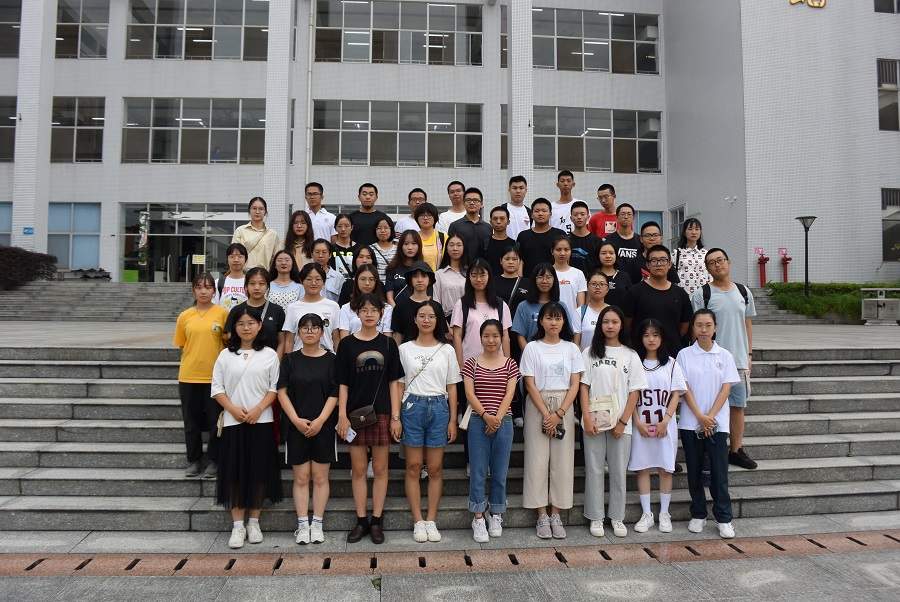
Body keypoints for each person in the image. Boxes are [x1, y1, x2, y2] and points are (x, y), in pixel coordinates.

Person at [211, 305, 283, 549]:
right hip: (233, 422)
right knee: (234, 474)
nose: (246, 328)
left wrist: (258, 409)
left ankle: (254, 522)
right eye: (240, 324)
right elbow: (217, 388)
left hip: (261, 420)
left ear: (260, 326)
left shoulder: (269, 355)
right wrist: (233, 409)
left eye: (251, 323)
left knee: (258, 473)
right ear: (234, 328)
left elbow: (275, 388)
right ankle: (237, 526)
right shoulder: (225, 355)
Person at [336, 294, 404, 545]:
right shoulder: (347, 344)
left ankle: (376, 520)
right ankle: (361, 520)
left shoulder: (388, 344)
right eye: (364, 310)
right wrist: (342, 415)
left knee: (381, 469)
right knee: (359, 470)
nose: (368, 314)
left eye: (373, 310)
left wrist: (396, 417)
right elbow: (342, 383)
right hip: (355, 413)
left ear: (381, 314)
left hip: (383, 412)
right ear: (357, 313)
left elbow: (394, 382)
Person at [579, 305, 647, 538]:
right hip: (594, 421)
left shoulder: (630, 354)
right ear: (600, 325)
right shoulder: (589, 353)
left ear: (621, 325)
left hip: (621, 423)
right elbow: (583, 387)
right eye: (605, 322)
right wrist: (585, 417)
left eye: (614, 322)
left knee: (619, 471)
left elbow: (635, 391)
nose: (610, 326)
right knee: (594, 469)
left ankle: (617, 517)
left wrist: (623, 422)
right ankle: (596, 516)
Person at [520, 302, 585, 539]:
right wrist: (546, 414)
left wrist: (559, 413)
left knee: (563, 461)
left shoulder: (571, 349)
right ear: (541, 321)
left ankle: (556, 513)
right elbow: (529, 383)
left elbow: (575, 383)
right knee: (537, 459)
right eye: (549, 318)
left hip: (563, 403)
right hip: (538, 402)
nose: (554, 322)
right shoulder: (532, 348)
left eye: (558, 318)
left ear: (564, 321)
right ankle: (541, 514)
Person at [398, 299, 460, 542]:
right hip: (411, 407)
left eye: (432, 316)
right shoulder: (404, 349)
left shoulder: (447, 350)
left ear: (438, 320)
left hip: (439, 407)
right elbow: (399, 385)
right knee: (413, 466)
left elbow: (452, 386)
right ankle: (418, 520)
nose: (426, 320)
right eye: (422, 316)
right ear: (415, 319)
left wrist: (453, 419)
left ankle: (431, 520)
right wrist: (395, 417)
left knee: (434, 468)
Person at [690, 248, 758, 470]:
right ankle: (709, 450)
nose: (717, 265)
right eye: (712, 263)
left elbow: (747, 324)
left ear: (728, 262)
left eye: (720, 260)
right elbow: (696, 328)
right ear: (707, 269)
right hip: (710, 361)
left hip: (737, 360)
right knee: (708, 404)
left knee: (737, 406)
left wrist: (749, 354)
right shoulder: (702, 294)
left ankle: (735, 451)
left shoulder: (743, 292)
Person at [677, 309, 740, 539]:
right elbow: (684, 388)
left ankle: (724, 518)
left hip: (717, 423)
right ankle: (698, 514)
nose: (703, 330)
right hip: (690, 422)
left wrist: (710, 417)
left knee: (719, 472)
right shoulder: (684, 355)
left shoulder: (725, 355)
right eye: (699, 325)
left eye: (708, 325)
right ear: (693, 328)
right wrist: (700, 417)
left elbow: (726, 389)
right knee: (694, 471)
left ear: (715, 328)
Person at [277, 313, 338, 545]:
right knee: (301, 477)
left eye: (314, 328)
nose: (309, 331)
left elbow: (335, 392)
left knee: (320, 477)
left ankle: (317, 524)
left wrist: (321, 420)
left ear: (322, 332)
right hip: (296, 426)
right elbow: (281, 391)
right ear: (298, 332)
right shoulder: (290, 360)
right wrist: (295, 419)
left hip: (324, 425)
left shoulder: (331, 360)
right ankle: (303, 524)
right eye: (304, 328)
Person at [464, 319, 520, 542]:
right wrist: (487, 416)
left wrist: (496, 418)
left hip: (503, 422)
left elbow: (510, 393)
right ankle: (478, 516)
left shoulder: (510, 364)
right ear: (480, 338)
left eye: (495, 336)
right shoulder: (471, 363)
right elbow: (469, 394)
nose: (491, 340)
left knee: (499, 472)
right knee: (478, 472)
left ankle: (495, 513)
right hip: (478, 422)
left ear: (501, 338)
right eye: (486, 336)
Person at [629, 318, 686, 534]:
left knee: (665, 468)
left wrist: (666, 420)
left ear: (662, 338)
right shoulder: (635, 363)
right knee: (642, 468)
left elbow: (675, 395)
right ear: (640, 338)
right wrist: (637, 422)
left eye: (655, 335)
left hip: (665, 425)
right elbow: (630, 396)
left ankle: (664, 513)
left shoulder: (671, 364)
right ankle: (647, 514)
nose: (651, 339)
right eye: (646, 335)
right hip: (641, 425)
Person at [174, 273, 229, 479]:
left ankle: (214, 460)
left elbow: (227, 343)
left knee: (216, 421)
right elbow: (182, 345)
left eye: (207, 287)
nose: (203, 291)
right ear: (193, 291)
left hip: (214, 378)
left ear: (214, 291)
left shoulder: (222, 313)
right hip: (189, 376)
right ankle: (194, 460)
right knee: (191, 422)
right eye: (199, 287)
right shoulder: (185, 316)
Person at [623, 245, 692, 360]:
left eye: (663, 260)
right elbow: (627, 324)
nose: (659, 264)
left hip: (672, 355)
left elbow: (684, 326)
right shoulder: (634, 292)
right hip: (641, 356)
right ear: (647, 265)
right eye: (654, 260)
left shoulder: (680, 294)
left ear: (669, 264)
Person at [511, 263, 579, 350]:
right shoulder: (523, 306)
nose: (544, 281)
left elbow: (568, 332)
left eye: (548, 277)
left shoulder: (561, 306)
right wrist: (529, 354)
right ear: (534, 280)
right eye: (540, 277)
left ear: (554, 280)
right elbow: (520, 336)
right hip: (532, 355)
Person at [224, 267, 286, 356]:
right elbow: (231, 339)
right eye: (252, 283)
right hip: (242, 360)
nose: (257, 288)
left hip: (269, 360)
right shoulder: (237, 310)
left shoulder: (277, 310)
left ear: (267, 286)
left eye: (261, 284)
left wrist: (276, 362)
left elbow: (281, 342)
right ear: (246, 286)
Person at [283, 263, 341, 354]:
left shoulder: (333, 306)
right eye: (309, 279)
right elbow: (289, 341)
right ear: (301, 281)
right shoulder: (292, 308)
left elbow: (336, 339)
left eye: (318, 279)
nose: (313, 283)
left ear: (323, 281)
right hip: (299, 358)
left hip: (327, 358)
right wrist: (288, 360)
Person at [391, 261, 444, 345]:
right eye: (415, 276)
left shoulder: (437, 307)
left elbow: (441, 335)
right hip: (407, 351)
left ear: (429, 280)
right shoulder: (400, 307)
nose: (420, 280)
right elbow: (398, 336)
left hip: (432, 351)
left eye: (424, 276)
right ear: (410, 280)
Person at [338, 264, 393, 339]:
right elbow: (344, 340)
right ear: (356, 281)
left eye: (371, 279)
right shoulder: (346, 308)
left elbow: (388, 338)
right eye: (363, 279)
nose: (367, 283)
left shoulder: (387, 308)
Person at [516, 198, 566, 279]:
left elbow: (565, 259)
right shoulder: (523, 235)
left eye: (544, 211)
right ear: (531, 215)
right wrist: (521, 281)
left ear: (550, 214)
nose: (540, 214)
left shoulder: (559, 234)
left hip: (554, 280)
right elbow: (520, 261)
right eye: (537, 211)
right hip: (529, 280)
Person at [448, 187, 492, 265]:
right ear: (463, 203)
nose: (472, 203)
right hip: (461, 268)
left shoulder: (488, 228)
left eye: (475, 200)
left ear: (481, 204)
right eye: (468, 200)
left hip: (482, 268)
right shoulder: (455, 226)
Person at [232, 197, 279, 270]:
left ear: (265, 212)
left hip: (264, 274)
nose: (257, 212)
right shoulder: (240, 231)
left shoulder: (272, 234)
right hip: (244, 274)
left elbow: (275, 259)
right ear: (249, 210)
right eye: (254, 208)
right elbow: (234, 255)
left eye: (261, 209)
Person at [550, 236, 587, 321]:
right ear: (552, 251)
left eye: (566, 250)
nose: (562, 253)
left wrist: (578, 320)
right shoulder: (547, 273)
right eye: (558, 250)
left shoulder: (578, 274)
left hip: (572, 320)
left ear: (571, 251)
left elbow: (581, 304)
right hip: (551, 320)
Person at [385, 230, 424, 306]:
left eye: (414, 243)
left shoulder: (424, 269)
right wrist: (397, 311)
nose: (410, 247)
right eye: (406, 244)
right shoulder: (392, 269)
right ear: (401, 246)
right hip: (397, 310)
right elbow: (389, 297)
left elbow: (428, 295)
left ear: (419, 246)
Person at [433, 234, 468, 320]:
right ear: (447, 248)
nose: (455, 248)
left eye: (459, 245)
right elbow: (436, 301)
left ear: (464, 248)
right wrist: (443, 323)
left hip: (467, 317)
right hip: (445, 319)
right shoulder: (439, 274)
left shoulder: (470, 273)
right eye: (451, 245)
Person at [575, 271, 610, 351]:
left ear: (607, 289)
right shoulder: (579, 312)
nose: (597, 287)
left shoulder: (613, 312)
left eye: (602, 284)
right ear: (587, 287)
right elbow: (576, 343)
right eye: (593, 284)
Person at [675, 218, 711, 295]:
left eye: (697, 229)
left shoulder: (705, 253)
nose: (694, 232)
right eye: (690, 229)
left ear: (700, 232)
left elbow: (710, 275)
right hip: (682, 295)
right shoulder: (677, 253)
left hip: (702, 295)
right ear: (684, 232)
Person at [569, 201, 603, 277]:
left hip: (591, 281)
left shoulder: (597, 241)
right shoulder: (566, 240)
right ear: (571, 218)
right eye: (576, 214)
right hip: (570, 280)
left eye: (582, 214)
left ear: (588, 217)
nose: (579, 217)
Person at [349, 183, 389, 248]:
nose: (368, 197)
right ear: (359, 197)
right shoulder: (351, 218)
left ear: (376, 197)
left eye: (371, 194)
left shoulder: (383, 218)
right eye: (364, 194)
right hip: (355, 253)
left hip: (377, 253)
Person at [596, 240, 632, 309]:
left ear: (616, 255)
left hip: (620, 314)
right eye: (603, 253)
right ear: (598, 255)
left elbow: (630, 300)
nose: (608, 256)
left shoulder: (624, 276)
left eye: (611, 253)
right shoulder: (593, 276)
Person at [215, 243, 249, 310]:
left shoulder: (251, 282)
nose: (236, 260)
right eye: (232, 257)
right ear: (227, 259)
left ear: (245, 259)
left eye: (240, 256)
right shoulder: (218, 283)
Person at [483, 205, 513, 277]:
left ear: (508, 221)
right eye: (495, 219)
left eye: (502, 218)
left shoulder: (515, 245)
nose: (498, 222)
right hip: (490, 282)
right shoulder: (484, 245)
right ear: (491, 222)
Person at [550, 170, 582, 235]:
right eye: (562, 181)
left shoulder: (581, 205)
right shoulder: (550, 207)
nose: (565, 184)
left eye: (568, 181)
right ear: (557, 185)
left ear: (573, 184)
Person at [415, 202, 444, 271]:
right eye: (422, 215)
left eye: (429, 215)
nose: (425, 218)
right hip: (416, 276)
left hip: (437, 276)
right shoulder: (413, 237)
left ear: (435, 218)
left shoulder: (443, 237)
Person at [502, 175, 532, 240]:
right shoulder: (503, 210)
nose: (518, 191)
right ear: (509, 190)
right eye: (514, 188)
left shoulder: (530, 213)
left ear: (526, 190)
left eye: (521, 188)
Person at [369, 216, 397, 284]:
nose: (382, 230)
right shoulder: (369, 249)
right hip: (376, 286)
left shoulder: (398, 250)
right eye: (379, 228)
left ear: (391, 229)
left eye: (386, 228)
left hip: (394, 287)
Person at [331, 213, 357, 279]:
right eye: (339, 226)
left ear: (352, 227)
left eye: (346, 226)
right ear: (335, 228)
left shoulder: (359, 248)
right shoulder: (330, 249)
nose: (343, 229)